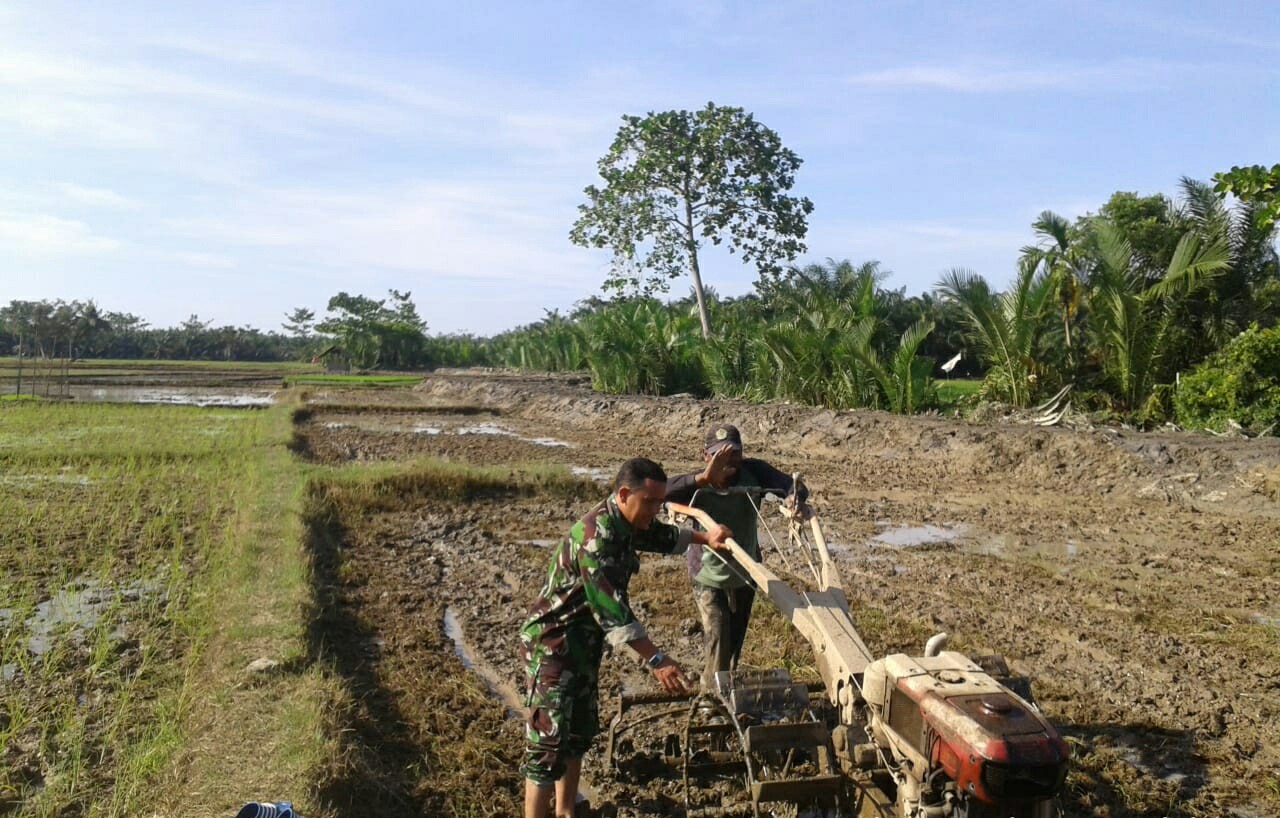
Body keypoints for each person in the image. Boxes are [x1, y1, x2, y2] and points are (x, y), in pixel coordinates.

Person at [520, 456, 732, 818]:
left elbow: (662, 536)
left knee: (579, 732)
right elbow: (612, 610)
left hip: (585, 645)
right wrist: (656, 660)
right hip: (553, 647)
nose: (655, 510)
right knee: (548, 744)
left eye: (659, 502)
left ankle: (566, 810)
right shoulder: (595, 539)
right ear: (623, 494)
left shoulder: (627, 522)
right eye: (649, 502)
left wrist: (706, 537)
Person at [665, 423, 808, 690]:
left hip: (746, 569)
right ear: (705, 456)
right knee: (718, 633)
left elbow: (791, 485)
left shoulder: (753, 472)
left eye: (734, 455)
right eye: (720, 456)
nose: (729, 463)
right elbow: (662, 492)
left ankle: (727, 688)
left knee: (736, 637)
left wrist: (793, 499)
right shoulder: (694, 484)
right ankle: (711, 697)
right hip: (707, 573)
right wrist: (705, 479)